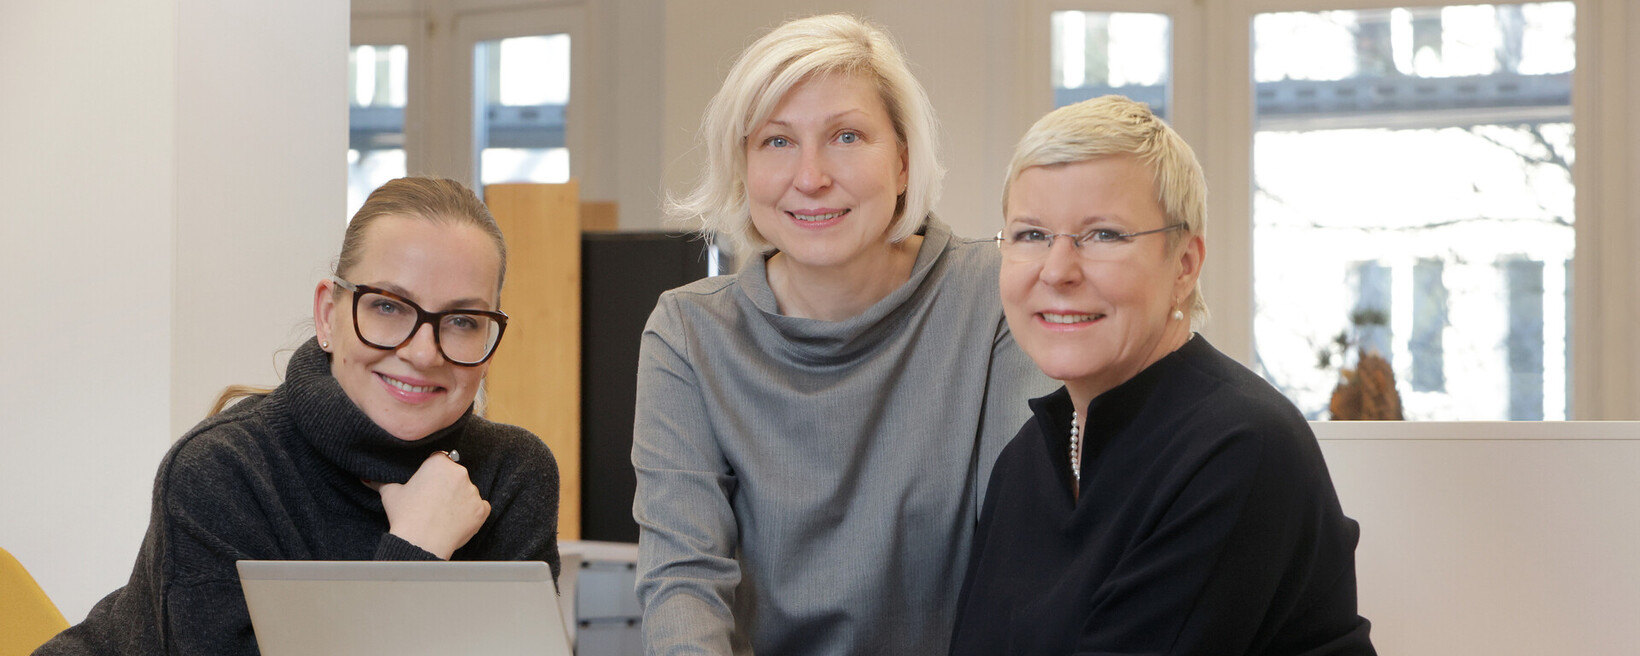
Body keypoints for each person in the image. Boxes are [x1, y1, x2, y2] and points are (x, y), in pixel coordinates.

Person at [633, 13, 1050, 656]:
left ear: (905, 162)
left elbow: (1021, 554)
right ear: (743, 169)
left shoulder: (993, 295)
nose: (811, 176)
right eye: (776, 141)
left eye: (847, 136)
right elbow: (683, 581)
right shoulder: (688, 332)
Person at [35, 177, 561, 655]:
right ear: (329, 316)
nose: (424, 353)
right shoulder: (220, 470)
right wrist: (414, 554)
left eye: (463, 320)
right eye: (387, 306)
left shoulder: (512, 473)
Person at [948, 96, 1376, 655]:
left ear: (1184, 264)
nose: (1057, 270)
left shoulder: (1239, 446)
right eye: (1031, 235)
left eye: (1104, 235)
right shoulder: (1029, 460)